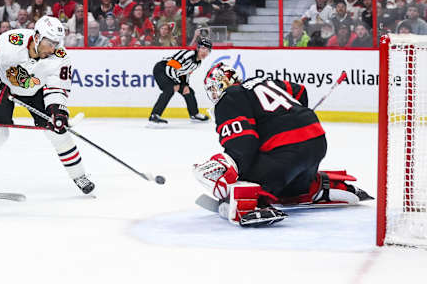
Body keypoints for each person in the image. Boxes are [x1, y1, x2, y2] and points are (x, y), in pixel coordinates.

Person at [193, 63, 373, 226]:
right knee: (289, 184)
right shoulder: (266, 82)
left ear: (221, 84)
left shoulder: (229, 98)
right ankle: (312, 188)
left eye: (213, 89)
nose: (214, 94)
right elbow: (300, 91)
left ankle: (253, 202)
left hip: (286, 153)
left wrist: (234, 174)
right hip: (317, 141)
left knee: (244, 172)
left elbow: (243, 145)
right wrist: (288, 118)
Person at [0, 16, 95, 195]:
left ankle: (79, 175)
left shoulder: (61, 57)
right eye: (49, 43)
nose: (53, 48)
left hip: (36, 90)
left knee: (57, 132)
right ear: (37, 37)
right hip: (3, 87)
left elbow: (57, 88)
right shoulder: (13, 41)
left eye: (57, 43)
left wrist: (57, 111)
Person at [148, 37, 212, 125]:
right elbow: (170, 67)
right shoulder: (188, 54)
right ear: (198, 48)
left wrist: (185, 84)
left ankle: (194, 114)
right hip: (162, 69)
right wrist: (176, 83)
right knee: (169, 89)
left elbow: (185, 73)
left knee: (188, 91)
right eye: (203, 48)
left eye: (208, 50)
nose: (205, 52)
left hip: (173, 74)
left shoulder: (198, 62)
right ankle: (154, 116)